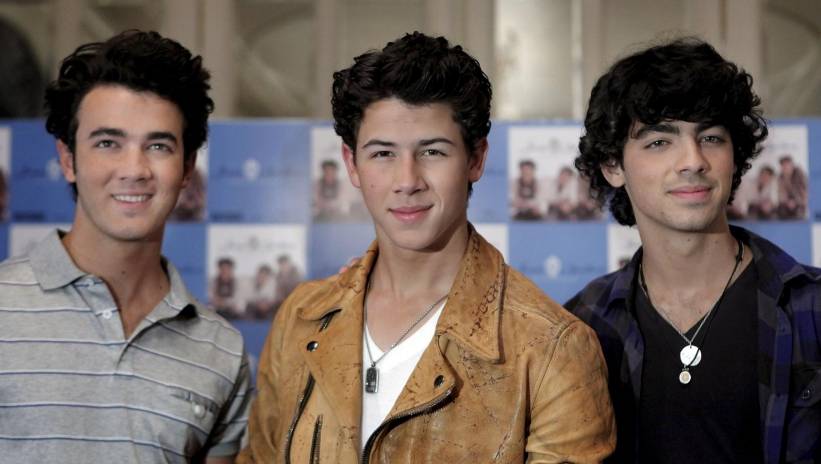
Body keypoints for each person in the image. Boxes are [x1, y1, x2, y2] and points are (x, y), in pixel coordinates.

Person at [239, 32, 614, 463]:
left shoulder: (551, 347)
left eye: (432, 152)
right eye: (383, 154)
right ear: (351, 164)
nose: (407, 181)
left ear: (476, 159)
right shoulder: (301, 318)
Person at [0, 30, 252, 463]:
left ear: (187, 168)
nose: (134, 169)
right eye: (108, 143)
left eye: (158, 145)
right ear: (67, 159)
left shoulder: (221, 350)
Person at [568, 37, 820, 463]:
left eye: (711, 137)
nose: (693, 160)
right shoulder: (582, 326)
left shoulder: (810, 307)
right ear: (613, 166)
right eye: (659, 142)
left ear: (734, 156)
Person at [776, 155, 807, 219]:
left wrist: (796, 201)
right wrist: (787, 201)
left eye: (787, 165)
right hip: (787, 203)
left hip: (799, 202)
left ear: (792, 165)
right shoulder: (780, 177)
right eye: (783, 165)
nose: (785, 167)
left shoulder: (800, 175)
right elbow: (780, 193)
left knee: (799, 213)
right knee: (781, 211)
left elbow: (805, 193)